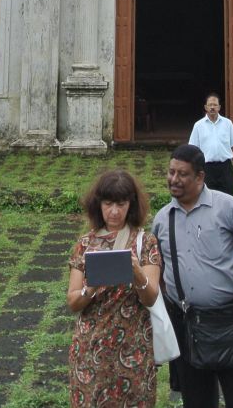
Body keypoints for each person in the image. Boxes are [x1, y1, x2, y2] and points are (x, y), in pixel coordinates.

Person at [153, 143, 233, 408]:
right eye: (171, 172)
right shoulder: (162, 219)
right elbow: (158, 270)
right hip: (188, 324)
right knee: (197, 399)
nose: (174, 180)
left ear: (200, 177)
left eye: (182, 174)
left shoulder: (229, 207)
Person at [68, 168, 161, 408]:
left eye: (121, 204)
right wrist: (91, 288)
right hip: (91, 348)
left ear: (131, 205)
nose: (114, 212)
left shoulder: (146, 243)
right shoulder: (85, 244)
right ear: (98, 205)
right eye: (108, 204)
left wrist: (137, 272)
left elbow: (151, 298)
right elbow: (73, 301)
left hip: (133, 348)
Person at [189, 93, 233, 196]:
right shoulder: (198, 126)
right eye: (210, 105)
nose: (212, 107)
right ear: (205, 107)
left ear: (219, 107)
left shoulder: (228, 124)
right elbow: (193, 151)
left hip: (225, 168)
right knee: (207, 199)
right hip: (206, 168)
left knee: (228, 198)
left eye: (215, 105)